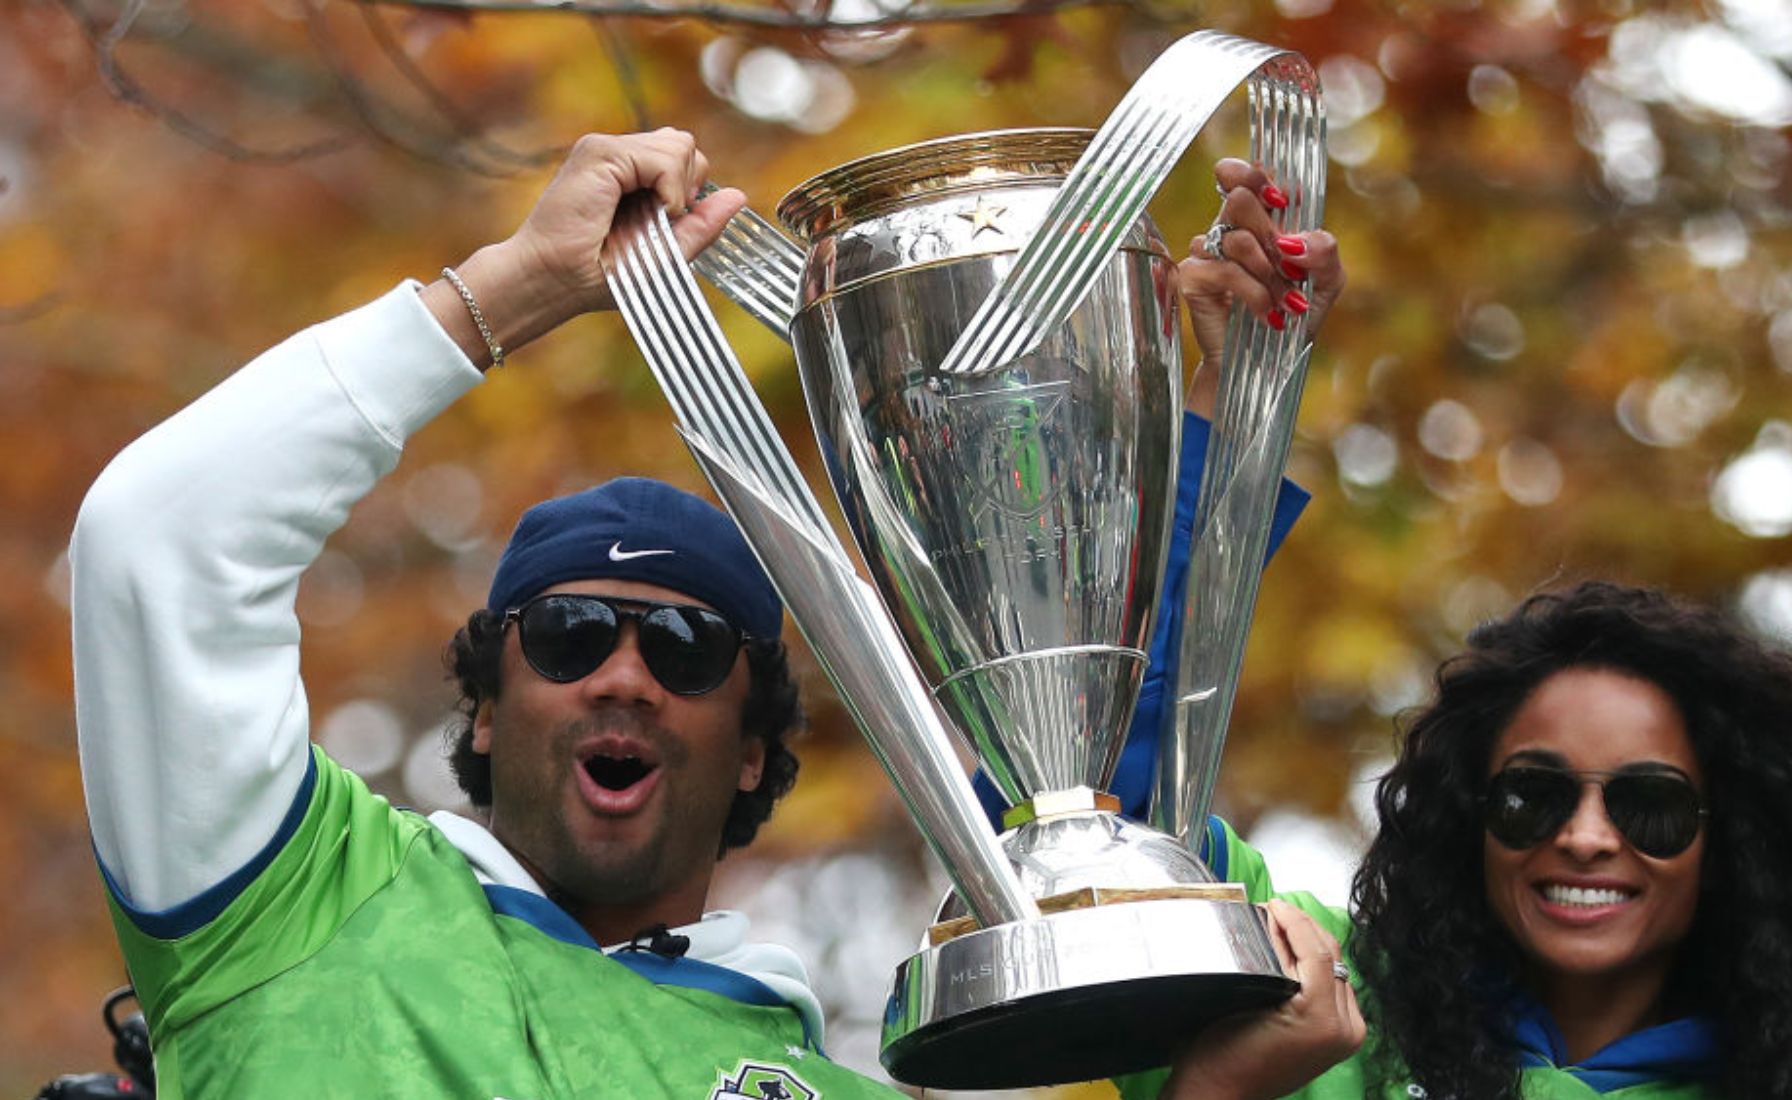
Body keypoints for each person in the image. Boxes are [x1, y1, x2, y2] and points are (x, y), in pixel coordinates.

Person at [70, 127, 1358, 1098]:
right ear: (488, 695)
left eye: (684, 648)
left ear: (752, 743)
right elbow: (157, 543)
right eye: (571, 632)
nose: (624, 675)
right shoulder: (287, 897)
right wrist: (511, 287)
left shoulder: (837, 1080)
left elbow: (1083, 826)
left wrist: (1189, 414)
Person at [1122, 581, 1792, 1098]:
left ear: (1726, 843)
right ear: (1470, 813)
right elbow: (1095, 798)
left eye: (1648, 804)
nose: (1584, 838)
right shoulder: (1311, 986)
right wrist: (1237, 393)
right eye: (1532, 796)